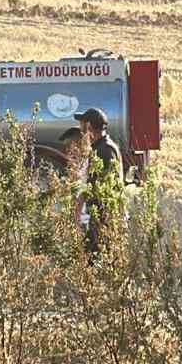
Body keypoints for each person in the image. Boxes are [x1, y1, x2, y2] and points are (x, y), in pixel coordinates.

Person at [73, 107, 124, 258]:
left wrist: (79, 206)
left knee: (97, 259)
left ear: (89, 127)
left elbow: (98, 187)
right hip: (100, 216)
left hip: (104, 217)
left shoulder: (105, 150)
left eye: (82, 125)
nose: (80, 130)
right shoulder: (100, 147)